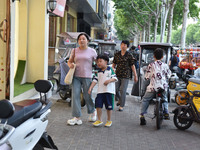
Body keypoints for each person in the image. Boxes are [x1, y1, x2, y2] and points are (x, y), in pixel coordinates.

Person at [67, 33, 97, 126]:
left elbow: (98, 62)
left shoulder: (92, 51)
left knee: (87, 96)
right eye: (80, 39)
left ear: (87, 41)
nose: (81, 40)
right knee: (75, 95)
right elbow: (70, 61)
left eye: (83, 39)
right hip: (76, 76)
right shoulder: (75, 50)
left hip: (87, 76)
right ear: (78, 41)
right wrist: (70, 65)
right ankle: (77, 117)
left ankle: (92, 111)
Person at [140, 48, 171, 125]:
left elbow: (147, 76)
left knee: (145, 100)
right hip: (163, 86)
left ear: (154, 56)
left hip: (152, 87)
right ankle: (166, 111)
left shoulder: (151, 65)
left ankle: (142, 116)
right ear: (162, 57)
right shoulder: (165, 65)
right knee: (165, 98)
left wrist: (148, 77)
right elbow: (169, 75)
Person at [88, 54, 117, 127]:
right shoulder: (98, 72)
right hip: (100, 92)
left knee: (109, 107)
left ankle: (109, 120)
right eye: (98, 62)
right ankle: (99, 120)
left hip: (109, 92)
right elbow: (95, 80)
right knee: (98, 105)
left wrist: (109, 80)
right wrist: (91, 88)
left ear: (106, 62)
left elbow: (115, 78)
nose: (98, 63)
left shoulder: (110, 70)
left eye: (100, 61)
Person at [112, 40, 138, 111]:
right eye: (122, 44)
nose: (123, 46)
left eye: (125, 45)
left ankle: (121, 106)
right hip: (117, 74)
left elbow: (132, 65)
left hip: (126, 75)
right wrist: (112, 70)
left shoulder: (129, 55)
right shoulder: (117, 54)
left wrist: (135, 75)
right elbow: (114, 64)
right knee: (115, 89)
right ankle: (120, 100)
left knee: (122, 90)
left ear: (127, 46)